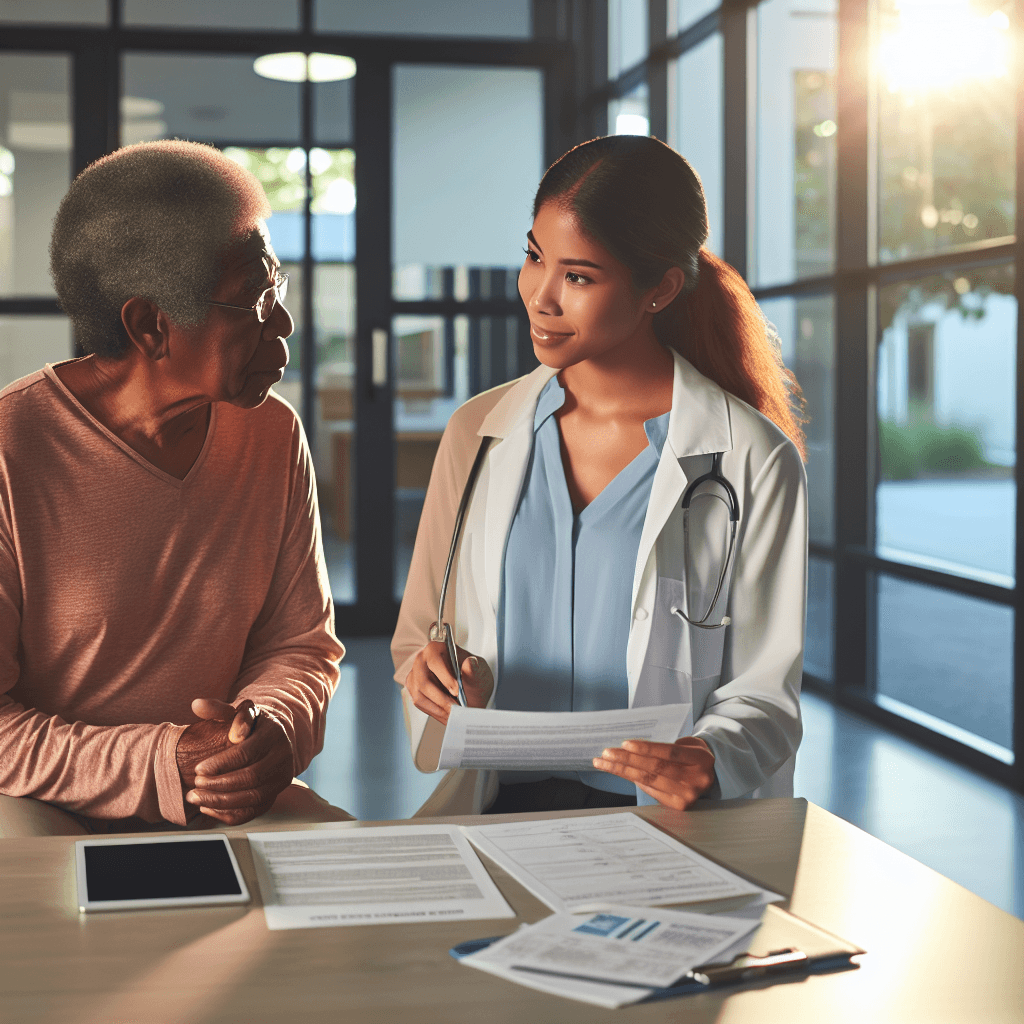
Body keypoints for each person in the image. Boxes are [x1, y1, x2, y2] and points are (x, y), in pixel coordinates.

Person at [392, 135, 807, 816]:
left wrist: (709, 755)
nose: (540, 297)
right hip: (499, 808)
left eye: (579, 276)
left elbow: (764, 691)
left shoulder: (751, 458)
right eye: (534, 257)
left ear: (660, 289)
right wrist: (435, 674)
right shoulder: (479, 432)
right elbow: (420, 636)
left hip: (660, 818)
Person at [0, 140, 353, 836]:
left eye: (276, 289)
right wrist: (163, 759)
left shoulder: (271, 435)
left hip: (215, 787)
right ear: (152, 325)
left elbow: (300, 645)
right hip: (41, 801)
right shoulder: (13, 450)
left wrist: (272, 728)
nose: (281, 324)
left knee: (351, 881)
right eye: (255, 303)